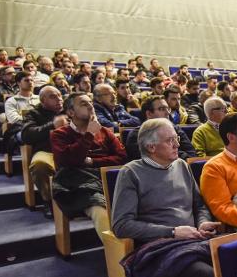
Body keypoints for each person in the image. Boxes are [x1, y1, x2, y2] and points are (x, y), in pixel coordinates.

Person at [113, 118, 220, 277]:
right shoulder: (131, 173)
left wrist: (202, 221)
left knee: (234, 263)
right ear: (151, 147)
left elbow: (198, 204)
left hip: (193, 241)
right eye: (170, 140)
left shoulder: (181, 165)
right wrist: (171, 232)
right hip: (159, 248)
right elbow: (121, 225)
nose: (177, 144)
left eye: (177, 138)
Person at [50, 92, 126, 239]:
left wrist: (92, 161)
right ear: (71, 112)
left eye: (90, 102)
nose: (90, 106)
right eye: (84, 104)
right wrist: (90, 133)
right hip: (80, 184)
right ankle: (117, 253)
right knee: (100, 208)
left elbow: (121, 157)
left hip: (108, 177)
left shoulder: (104, 131)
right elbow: (69, 161)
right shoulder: (60, 134)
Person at [21, 86, 69, 216]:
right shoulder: (33, 113)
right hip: (48, 151)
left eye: (59, 95)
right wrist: (52, 125)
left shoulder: (69, 110)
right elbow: (27, 135)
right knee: (39, 165)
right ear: (42, 101)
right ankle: (47, 200)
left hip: (70, 149)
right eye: (53, 96)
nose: (59, 99)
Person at [125, 96, 196, 161]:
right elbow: (149, 159)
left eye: (168, 109)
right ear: (149, 114)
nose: (168, 113)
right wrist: (180, 154)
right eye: (162, 109)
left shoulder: (175, 129)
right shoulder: (136, 135)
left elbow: (192, 155)